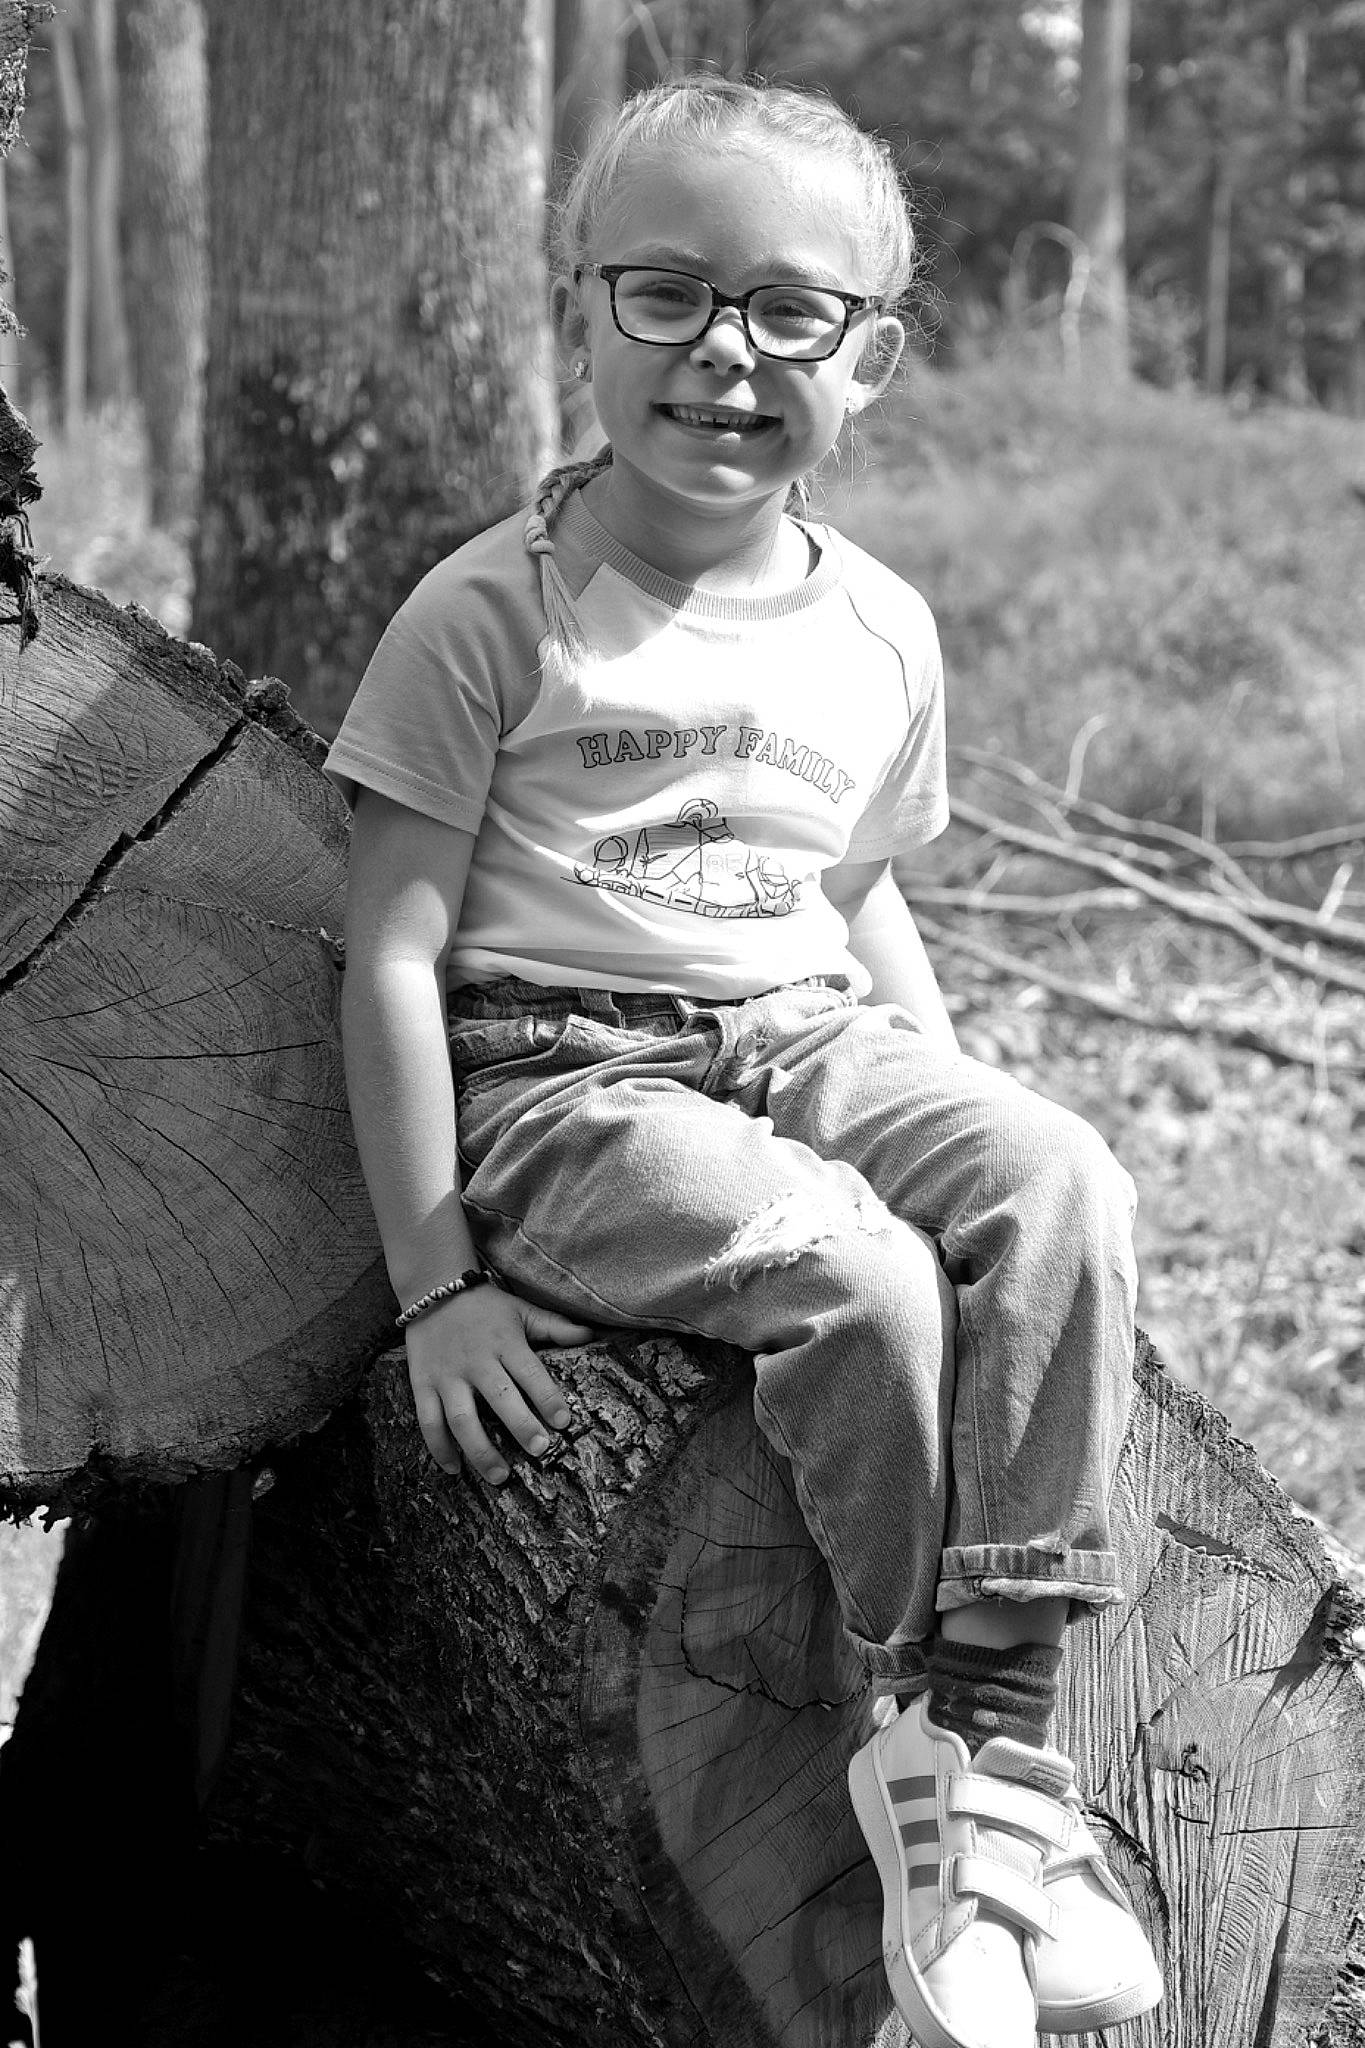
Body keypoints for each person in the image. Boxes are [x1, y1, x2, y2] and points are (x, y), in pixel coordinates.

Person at [326, 74, 1163, 2048]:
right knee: (851, 1276)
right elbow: (387, 949)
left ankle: (1001, 1753)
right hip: (567, 1083)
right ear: (584, 308)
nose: (723, 350)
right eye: (666, 293)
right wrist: (432, 1278)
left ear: (865, 359)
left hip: (804, 1032)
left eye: (787, 311)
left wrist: (964, 1120)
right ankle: (919, 1741)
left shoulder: (872, 626)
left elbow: (857, 894)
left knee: (1064, 1182)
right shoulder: (487, 613)